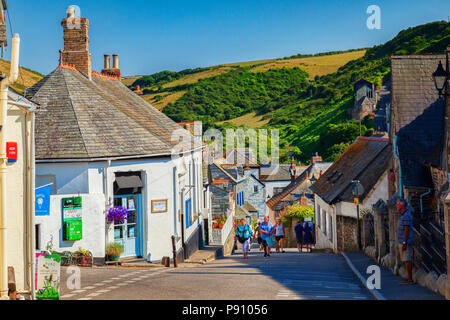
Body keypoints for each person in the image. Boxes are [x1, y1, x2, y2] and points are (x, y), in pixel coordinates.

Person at [397, 198, 414, 284]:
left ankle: (410, 279)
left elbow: (406, 230)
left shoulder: (406, 215)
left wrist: (404, 243)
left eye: (398, 204)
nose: (396, 206)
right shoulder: (403, 214)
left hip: (406, 242)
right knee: (406, 259)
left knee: (407, 259)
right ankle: (408, 278)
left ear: (402, 205)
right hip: (403, 241)